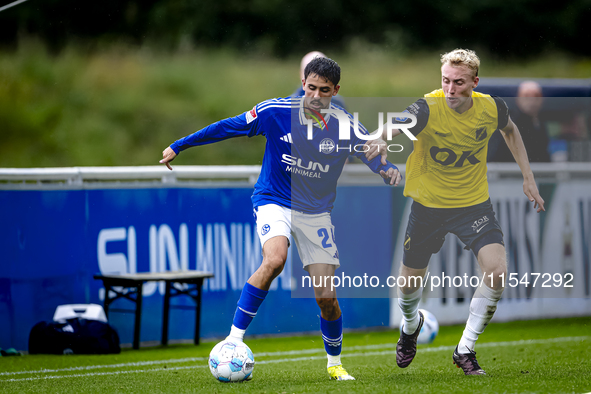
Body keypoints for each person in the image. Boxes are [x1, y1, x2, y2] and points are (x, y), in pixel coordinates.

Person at [160, 57, 401, 381]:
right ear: (303, 83)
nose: (316, 96)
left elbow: (371, 154)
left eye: (324, 90)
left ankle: (334, 363)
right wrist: (180, 145)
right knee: (274, 260)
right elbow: (226, 127)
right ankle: (233, 340)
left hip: (315, 212)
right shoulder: (274, 111)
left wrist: (387, 171)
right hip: (273, 200)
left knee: (326, 297)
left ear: (336, 91)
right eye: (311, 87)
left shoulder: (345, 125)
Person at [365, 49, 545, 375]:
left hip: (472, 204)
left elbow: (510, 130)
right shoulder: (427, 106)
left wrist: (528, 177)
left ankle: (465, 349)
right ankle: (410, 326)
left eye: (458, 83)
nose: (450, 90)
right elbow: (399, 122)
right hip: (428, 206)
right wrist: (379, 136)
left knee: (497, 270)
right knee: (407, 287)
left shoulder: (492, 107)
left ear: (475, 82)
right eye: (445, 81)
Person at [488, 80, 550, 162]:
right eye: (526, 96)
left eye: (536, 96)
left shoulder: (541, 124)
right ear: (518, 99)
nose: (532, 100)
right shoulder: (508, 123)